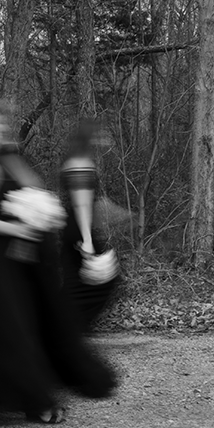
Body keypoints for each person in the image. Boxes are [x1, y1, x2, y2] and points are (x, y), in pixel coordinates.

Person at [0, 100, 116, 424]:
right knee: (4, 329)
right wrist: (16, 226)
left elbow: (31, 187)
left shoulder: (5, 156)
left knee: (20, 326)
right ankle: (23, 400)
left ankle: (24, 396)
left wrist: (39, 211)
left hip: (13, 260)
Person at [60, 119, 120, 330]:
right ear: (90, 137)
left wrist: (119, 213)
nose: (104, 138)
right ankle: (71, 324)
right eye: (100, 134)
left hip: (73, 226)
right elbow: (81, 203)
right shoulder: (80, 163)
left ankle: (68, 324)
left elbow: (90, 200)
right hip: (79, 227)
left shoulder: (77, 160)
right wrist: (86, 240)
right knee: (103, 279)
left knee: (76, 278)